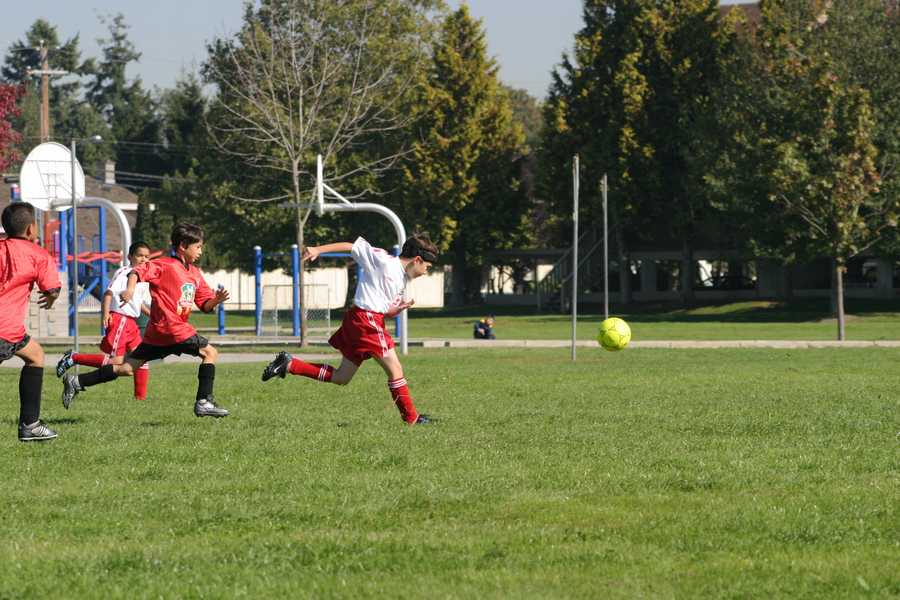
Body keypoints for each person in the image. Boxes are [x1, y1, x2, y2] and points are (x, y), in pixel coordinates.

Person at [261, 234, 438, 425]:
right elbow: (350, 246)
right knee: (395, 369)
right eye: (427, 267)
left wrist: (397, 309)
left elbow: (385, 309)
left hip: (363, 320)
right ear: (417, 259)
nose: (425, 272)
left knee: (342, 377)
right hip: (366, 320)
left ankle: (289, 364)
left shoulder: (402, 280)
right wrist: (318, 250)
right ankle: (412, 419)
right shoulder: (384, 260)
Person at [60, 222, 231, 418]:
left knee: (127, 368)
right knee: (210, 352)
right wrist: (130, 289)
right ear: (183, 246)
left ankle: (77, 382)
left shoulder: (194, 273)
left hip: (158, 335)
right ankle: (204, 402)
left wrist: (216, 300)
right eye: (198, 247)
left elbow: (205, 305)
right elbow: (137, 271)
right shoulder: (165, 265)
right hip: (172, 328)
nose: (201, 251)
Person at [56, 242, 153, 400]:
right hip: (120, 319)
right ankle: (74, 358)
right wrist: (106, 313)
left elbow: (137, 302)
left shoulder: (142, 278)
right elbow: (108, 293)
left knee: (142, 358)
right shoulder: (125, 273)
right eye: (140, 255)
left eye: (147, 256)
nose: (144, 259)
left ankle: (140, 399)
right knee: (116, 361)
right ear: (130, 257)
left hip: (131, 323)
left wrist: (151, 314)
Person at [0, 203, 62, 441]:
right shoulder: (38, 254)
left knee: (35, 354)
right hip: (5, 328)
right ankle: (29, 425)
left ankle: (31, 425)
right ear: (31, 229)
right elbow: (52, 288)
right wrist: (51, 297)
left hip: (10, 331)